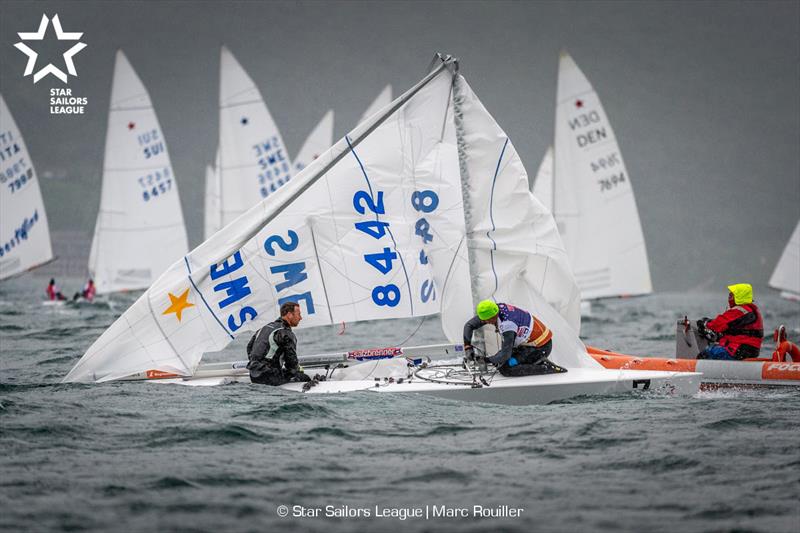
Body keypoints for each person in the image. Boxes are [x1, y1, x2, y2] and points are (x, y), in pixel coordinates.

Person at [463, 299, 563, 377]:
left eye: (486, 321)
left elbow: (504, 356)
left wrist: (484, 360)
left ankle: (545, 367)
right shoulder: (494, 308)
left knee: (506, 369)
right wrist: (468, 347)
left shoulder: (508, 325)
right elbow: (469, 326)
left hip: (541, 347)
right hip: (527, 344)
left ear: (493, 317)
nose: (484, 323)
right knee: (498, 362)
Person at [246, 301, 311, 385]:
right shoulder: (286, 333)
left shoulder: (264, 328)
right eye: (298, 314)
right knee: (305, 378)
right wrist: (299, 373)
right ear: (289, 315)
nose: (300, 318)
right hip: (270, 378)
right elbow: (291, 364)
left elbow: (249, 347)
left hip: (254, 376)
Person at [696, 283, 763, 360]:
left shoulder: (739, 310)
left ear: (739, 296)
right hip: (749, 351)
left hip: (737, 350)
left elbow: (718, 324)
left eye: (731, 295)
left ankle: (695, 368)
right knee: (716, 347)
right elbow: (730, 327)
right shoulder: (750, 310)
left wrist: (705, 323)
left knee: (706, 354)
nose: (729, 297)